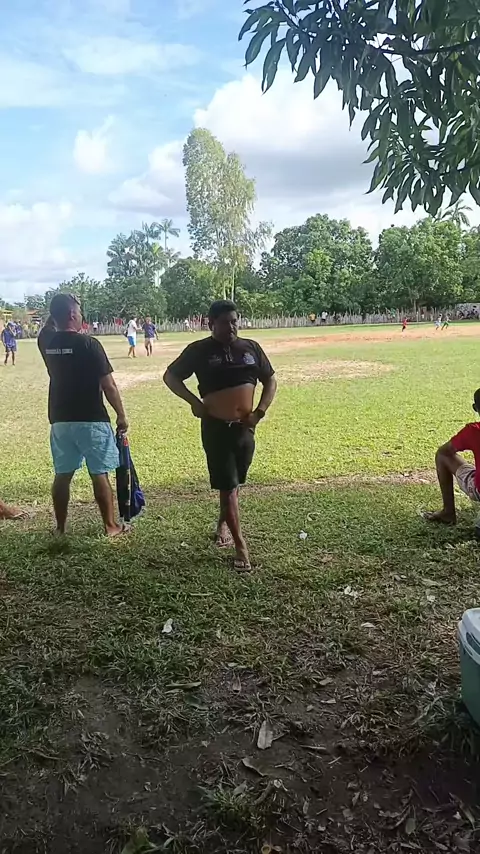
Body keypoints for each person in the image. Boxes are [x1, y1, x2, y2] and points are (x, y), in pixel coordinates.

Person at [163, 299, 277, 572]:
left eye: (234, 321)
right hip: (216, 428)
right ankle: (241, 547)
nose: (232, 327)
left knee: (234, 485)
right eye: (225, 323)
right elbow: (171, 377)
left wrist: (260, 412)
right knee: (228, 486)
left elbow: (270, 379)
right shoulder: (198, 350)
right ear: (211, 323)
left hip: (244, 429)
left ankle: (222, 525)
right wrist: (194, 402)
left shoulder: (251, 348)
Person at [38, 293, 129, 537]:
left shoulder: (46, 342)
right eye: (79, 312)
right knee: (99, 473)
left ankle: (60, 528)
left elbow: (49, 324)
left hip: (60, 419)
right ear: (71, 315)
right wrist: (121, 415)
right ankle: (110, 526)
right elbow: (109, 385)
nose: (82, 317)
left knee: (62, 475)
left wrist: (59, 308)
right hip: (91, 418)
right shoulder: (90, 344)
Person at [424, 388, 480, 530]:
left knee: (442, 455)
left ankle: (448, 512)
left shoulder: (473, 431)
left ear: (475, 408)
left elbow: (445, 451)